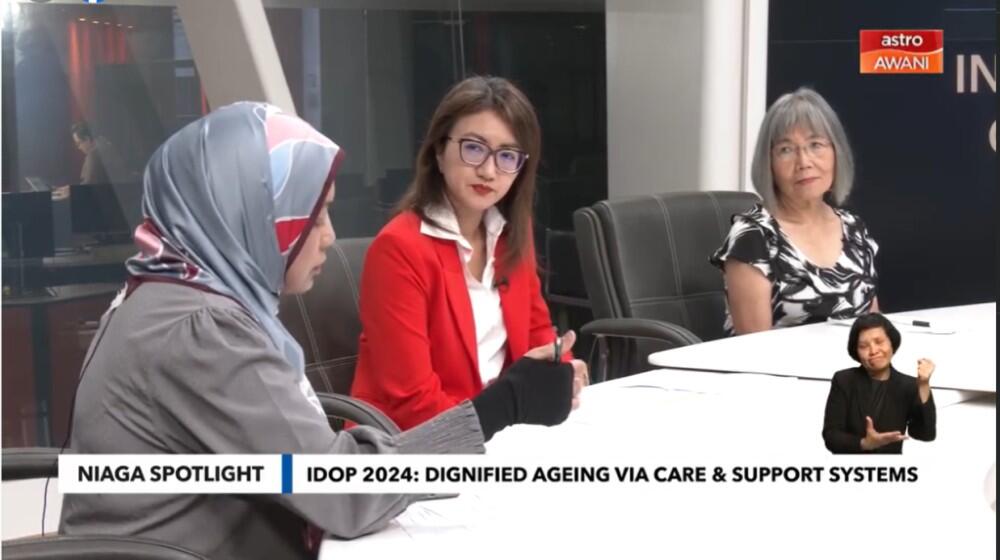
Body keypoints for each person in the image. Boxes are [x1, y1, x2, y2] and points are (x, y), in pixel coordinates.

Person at [59, 102, 579, 559]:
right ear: (252, 215)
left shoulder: (170, 290)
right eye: (314, 213)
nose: (329, 236)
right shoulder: (204, 329)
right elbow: (344, 494)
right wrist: (501, 406)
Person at [349, 76, 589, 431]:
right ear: (438, 152)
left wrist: (563, 366)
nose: (489, 171)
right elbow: (412, 401)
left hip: (501, 431)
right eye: (474, 148)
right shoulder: (399, 249)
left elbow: (538, 334)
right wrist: (501, 414)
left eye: (507, 156)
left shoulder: (509, 238)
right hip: (416, 446)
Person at [710, 88, 879, 336]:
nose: (804, 162)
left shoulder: (853, 228)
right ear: (768, 164)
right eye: (786, 150)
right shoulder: (752, 238)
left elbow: (875, 329)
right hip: (780, 373)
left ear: (836, 153)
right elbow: (752, 351)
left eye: (815, 145)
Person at [822, 313, 936, 454]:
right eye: (864, 346)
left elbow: (925, 434)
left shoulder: (908, 385)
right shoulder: (844, 380)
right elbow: (831, 436)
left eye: (879, 341)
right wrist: (864, 443)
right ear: (856, 352)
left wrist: (924, 385)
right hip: (848, 470)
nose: (873, 351)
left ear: (891, 343)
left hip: (889, 471)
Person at [51, 121, 125, 200]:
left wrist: (70, 191)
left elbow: (86, 188)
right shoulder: (104, 142)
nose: (78, 148)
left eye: (79, 143)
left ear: (87, 139)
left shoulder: (93, 156)